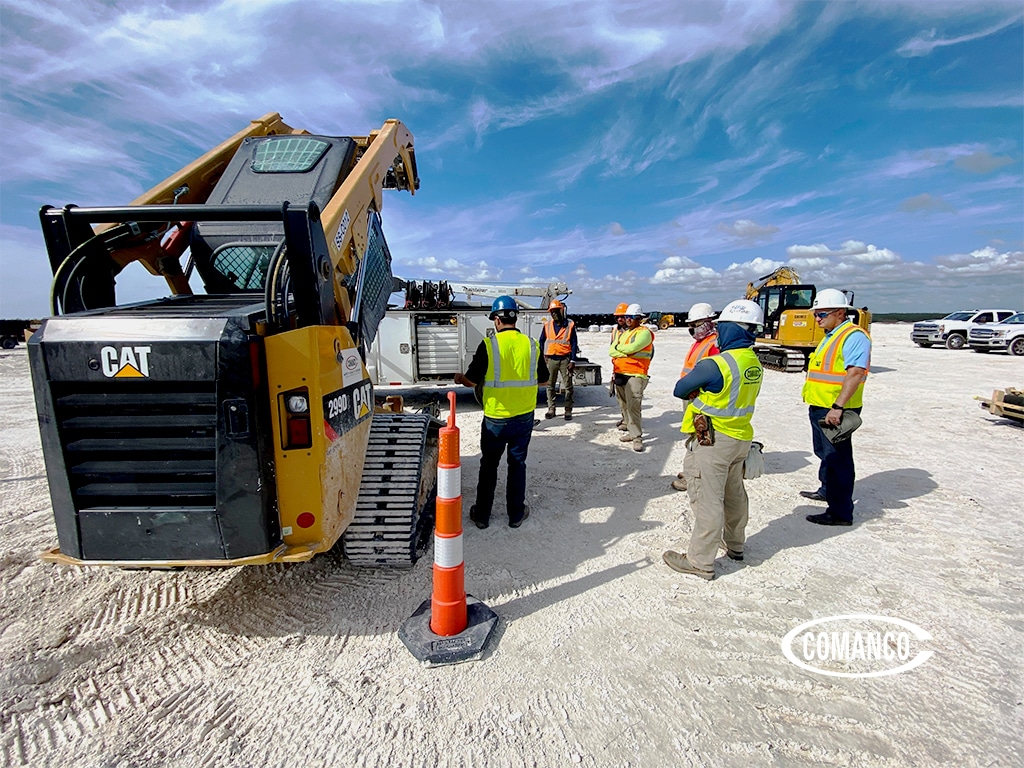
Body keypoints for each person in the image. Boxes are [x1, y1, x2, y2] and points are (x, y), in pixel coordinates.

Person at [662, 299, 765, 580]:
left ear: (733, 328)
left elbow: (680, 389)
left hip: (713, 441)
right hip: (740, 437)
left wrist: (698, 392)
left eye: (722, 327)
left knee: (707, 499)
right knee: (734, 495)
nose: (718, 332)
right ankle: (735, 545)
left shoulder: (717, 364)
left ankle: (700, 561)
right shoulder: (753, 363)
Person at [454, 295, 549, 529]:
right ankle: (516, 514)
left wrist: (460, 378)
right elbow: (544, 381)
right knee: (517, 464)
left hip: (496, 418)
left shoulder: (489, 345)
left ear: (496, 320)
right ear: (514, 318)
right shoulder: (531, 344)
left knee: (489, 466)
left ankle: (482, 516)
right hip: (524, 417)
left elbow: (471, 381)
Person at [800, 288, 871, 526]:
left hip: (836, 409)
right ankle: (827, 490)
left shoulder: (853, 336)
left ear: (840, 313)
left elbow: (856, 372)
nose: (817, 319)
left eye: (821, 314)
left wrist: (838, 407)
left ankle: (840, 512)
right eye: (816, 315)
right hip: (821, 406)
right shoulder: (831, 334)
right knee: (825, 453)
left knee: (838, 459)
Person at [671, 302, 719, 492]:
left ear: (709, 322)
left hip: (701, 398)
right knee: (694, 435)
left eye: (697, 324)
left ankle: (694, 476)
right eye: (691, 324)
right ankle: (692, 471)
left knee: (700, 438)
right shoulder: (699, 343)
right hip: (692, 396)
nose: (693, 328)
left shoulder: (714, 345)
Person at [608, 303, 654, 452]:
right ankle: (630, 430)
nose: (627, 320)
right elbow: (611, 350)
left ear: (639, 318)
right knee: (624, 405)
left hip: (635, 374)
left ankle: (637, 437)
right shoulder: (624, 333)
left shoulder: (644, 333)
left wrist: (621, 350)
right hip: (620, 373)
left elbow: (632, 349)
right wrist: (623, 352)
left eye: (631, 317)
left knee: (634, 407)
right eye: (626, 317)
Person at [539, 299, 580, 420]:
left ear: (562, 311)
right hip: (551, 359)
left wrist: (573, 360)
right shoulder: (547, 325)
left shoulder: (570, 325)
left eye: (556, 311)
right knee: (550, 385)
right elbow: (541, 340)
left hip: (565, 359)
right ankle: (551, 409)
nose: (554, 314)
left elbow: (573, 342)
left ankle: (568, 410)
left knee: (568, 386)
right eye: (552, 312)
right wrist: (542, 355)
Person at [610, 302, 630, 430]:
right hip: (618, 368)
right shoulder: (615, 331)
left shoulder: (635, 332)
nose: (620, 319)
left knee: (631, 399)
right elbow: (612, 350)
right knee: (621, 398)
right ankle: (625, 419)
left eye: (622, 316)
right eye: (618, 317)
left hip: (632, 369)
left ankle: (631, 422)